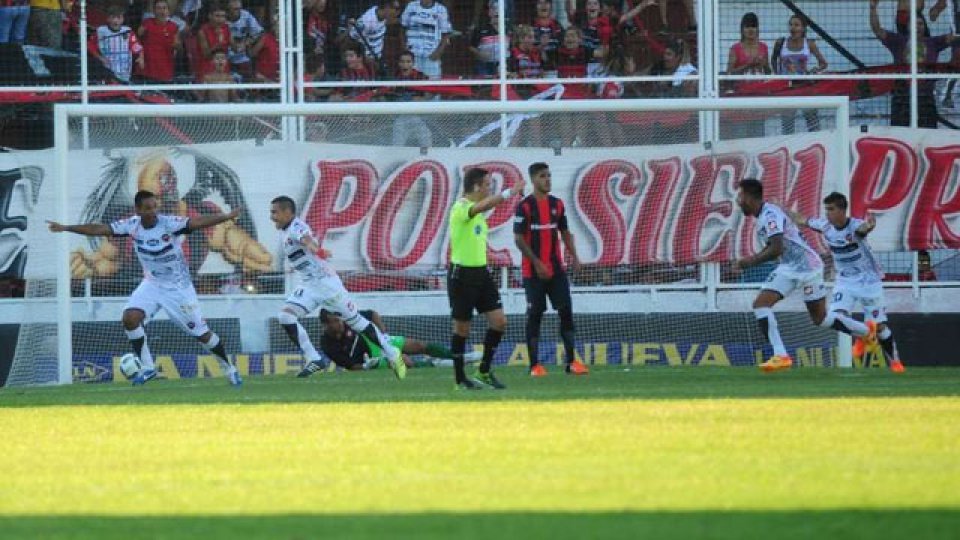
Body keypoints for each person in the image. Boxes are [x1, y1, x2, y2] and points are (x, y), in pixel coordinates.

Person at [47, 190, 244, 386]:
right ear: (138, 210)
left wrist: (226, 216)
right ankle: (148, 368)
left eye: (154, 207)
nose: (153, 212)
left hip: (178, 288)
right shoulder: (132, 225)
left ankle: (230, 368)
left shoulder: (168, 224)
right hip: (152, 284)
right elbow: (99, 229)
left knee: (202, 334)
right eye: (148, 208)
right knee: (130, 318)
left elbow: (198, 222)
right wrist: (66, 227)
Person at [734, 179, 876, 372]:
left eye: (740, 196)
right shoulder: (763, 215)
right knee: (761, 304)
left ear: (750, 198)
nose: (738, 201)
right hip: (788, 268)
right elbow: (777, 246)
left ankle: (867, 332)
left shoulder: (770, 215)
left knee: (820, 319)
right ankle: (781, 356)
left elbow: (777, 248)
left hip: (809, 268)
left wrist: (750, 261)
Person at [269, 195, 407, 381]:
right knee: (285, 316)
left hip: (326, 284)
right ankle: (315, 360)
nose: (272, 217)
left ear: (287, 212)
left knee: (356, 322)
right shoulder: (284, 231)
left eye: (274, 212)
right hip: (309, 285)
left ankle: (392, 353)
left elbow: (307, 239)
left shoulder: (296, 227)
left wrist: (317, 250)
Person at [790, 193, 904, 373]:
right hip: (845, 281)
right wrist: (781, 208)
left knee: (880, 327)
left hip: (869, 281)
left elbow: (862, 230)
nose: (827, 213)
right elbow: (802, 219)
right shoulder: (825, 226)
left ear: (842, 210)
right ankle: (864, 334)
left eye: (831, 209)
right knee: (834, 316)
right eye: (826, 209)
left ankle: (895, 361)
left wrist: (869, 226)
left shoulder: (855, 226)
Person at [447, 167, 523, 390]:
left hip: (482, 273)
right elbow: (482, 205)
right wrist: (510, 192)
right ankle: (460, 379)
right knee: (462, 328)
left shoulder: (478, 215)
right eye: (488, 184)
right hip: (462, 275)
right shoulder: (461, 208)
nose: (490, 189)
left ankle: (483, 372)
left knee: (500, 322)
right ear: (477, 186)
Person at [514, 162, 588, 377]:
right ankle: (534, 365)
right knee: (535, 315)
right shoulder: (525, 206)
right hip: (533, 273)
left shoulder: (558, 204)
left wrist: (574, 256)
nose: (547, 179)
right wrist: (537, 263)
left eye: (549, 175)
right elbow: (518, 239)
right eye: (542, 176)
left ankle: (572, 362)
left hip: (556, 270)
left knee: (566, 312)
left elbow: (565, 232)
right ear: (533, 180)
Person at [297, 308, 482, 375]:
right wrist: (369, 366)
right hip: (370, 360)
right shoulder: (327, 345)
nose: (340, 323)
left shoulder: (349, 318)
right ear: (325, 325)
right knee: (407, 363)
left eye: (339, 319)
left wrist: (382, 333)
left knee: (418, 345)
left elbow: (373, 314)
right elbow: (351, 367)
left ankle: (459, 356)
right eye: (335, 321)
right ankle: (435, 365)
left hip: (376, 341)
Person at [870, 0, 959, 128]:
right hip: (902, 97)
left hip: (925, 97)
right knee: (900, 134)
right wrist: (873, 9)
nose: (917, 26)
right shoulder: (898, 41)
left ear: (925, 26)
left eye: (920, 23)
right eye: (914, 23)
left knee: (928, 134)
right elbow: (877, 30)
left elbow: (955, 35)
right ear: (907, 26)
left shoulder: (933, 42)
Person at [771, 14, 826, 133]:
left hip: (805, 86)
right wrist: (777, 75)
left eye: (796, 25)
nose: (793, 28)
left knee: (812, 120)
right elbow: (773, 59)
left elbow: (823, 63)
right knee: (787, 122)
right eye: (790, 25)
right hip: (787, 87)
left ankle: (815, 142)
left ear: (803, 28)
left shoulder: (809, 43)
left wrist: (814, 70)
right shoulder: (781, 42)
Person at [88, 5, 145, 83]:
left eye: (118, 17)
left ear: (122, 19)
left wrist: (141, 57)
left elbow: (136, 47)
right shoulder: (101, 31)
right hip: (108, 71)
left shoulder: (128, 32)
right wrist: (100, 58)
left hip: (124, 72)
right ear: (108, 18)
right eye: (112, 17)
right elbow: (90, 46)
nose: (115, 21)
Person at [400, 0, 451, 79]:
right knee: (412, 85)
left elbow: (446, 34)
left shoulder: (441, 10)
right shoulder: (411, 6)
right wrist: (404, 48)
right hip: (412, 55)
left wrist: (438, 52)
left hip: (431, 55)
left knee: (432, 87)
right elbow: (402, 28)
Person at [138, 0, 181, 83]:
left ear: (168, 11)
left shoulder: (173, 27)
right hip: (148, 70)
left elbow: (178, 46)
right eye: (158, 8)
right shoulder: (147, 23)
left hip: (165, 70)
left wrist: (177, 45)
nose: (161, 11)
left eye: (164, 8)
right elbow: (137, 39)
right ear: (153, 11)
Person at [224, 0, 263, 80]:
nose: (238, 11)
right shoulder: (221, 17)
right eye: (235, 9)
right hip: (224, 56)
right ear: (228, 9)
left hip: (243, 56)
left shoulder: (246, 16)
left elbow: (258, 33)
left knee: (247, 79)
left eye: (239, 8)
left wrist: (246, 43)